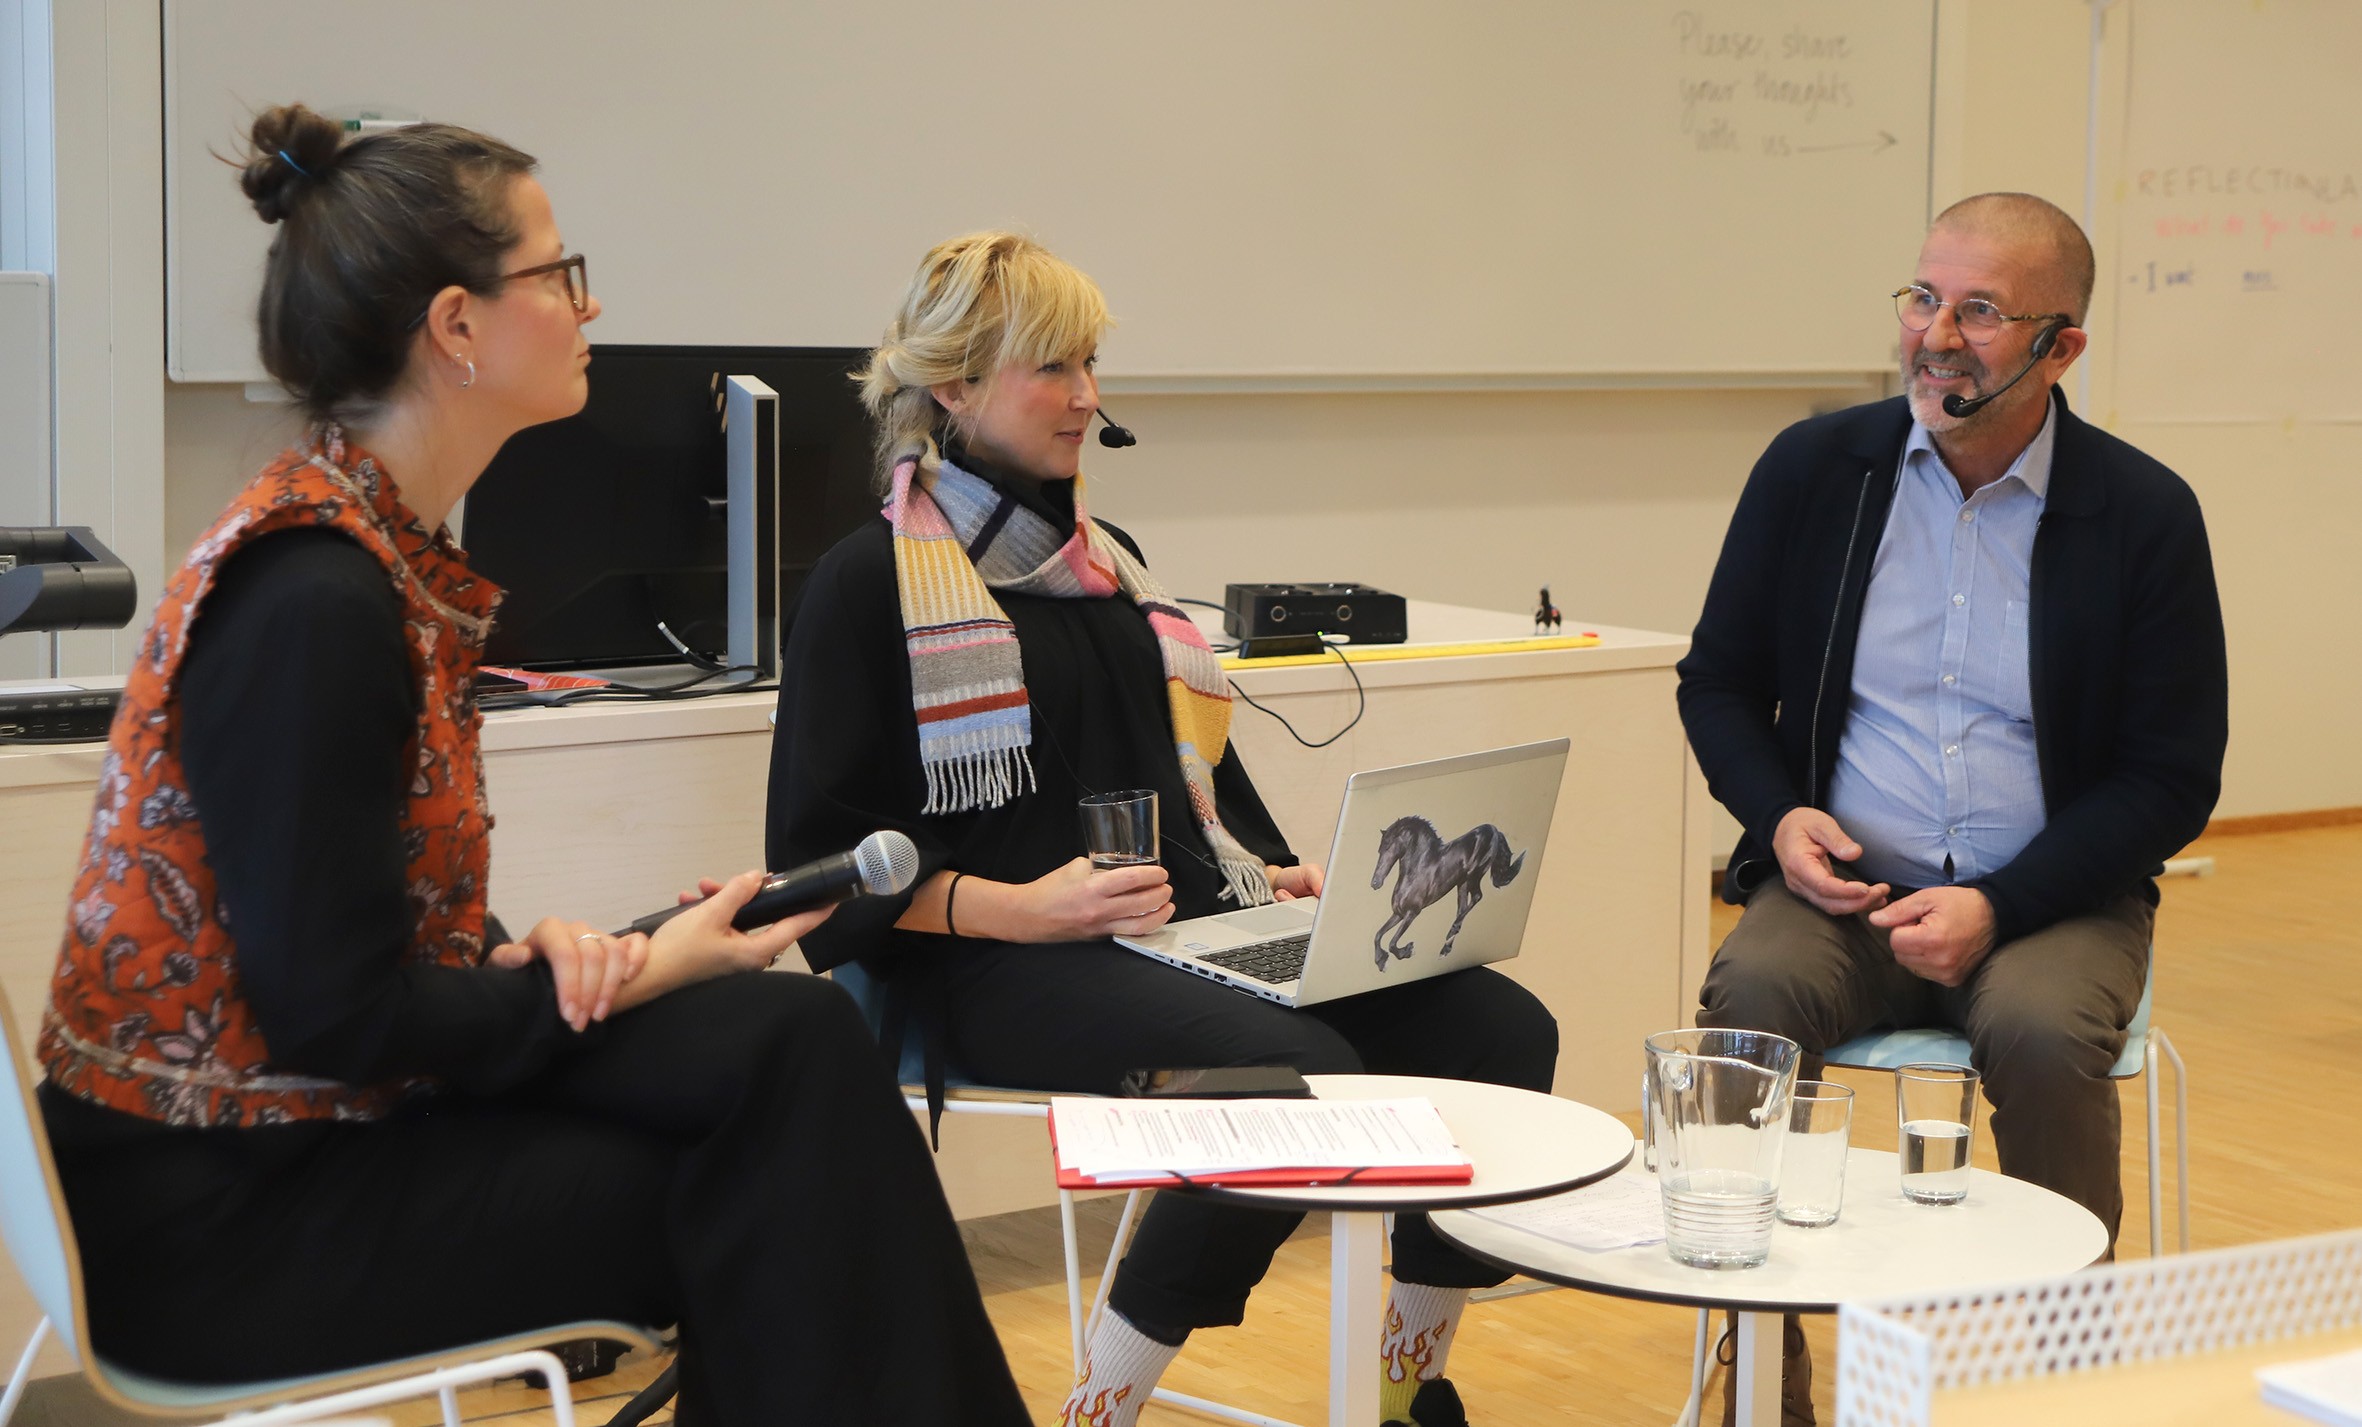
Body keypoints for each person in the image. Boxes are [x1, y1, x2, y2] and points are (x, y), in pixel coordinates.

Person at [35, 105, 1027, 1426]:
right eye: (559, 273)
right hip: (220, 1225)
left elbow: (361, 946)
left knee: (783, 1040)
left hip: (296, 1147)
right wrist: (634, 972)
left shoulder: (361, 554)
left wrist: (581, 960)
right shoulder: (312, 603)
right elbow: (339, 1013)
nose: (589, 298)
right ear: (456, 326)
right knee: (777, 1150)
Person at [765, 232, 1560, 1427]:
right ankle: (1100, 1404)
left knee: (1501, 1027)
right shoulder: (863, 582)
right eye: (1054, 368)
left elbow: (1195, 787)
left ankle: (1408, 1387)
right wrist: (1023, 908)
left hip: (1176, 943)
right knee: (1282, 1081)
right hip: (987, 970)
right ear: (953, 386)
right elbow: (818, 875)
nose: (1088, 397)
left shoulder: (1110, 568)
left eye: (1090, 364)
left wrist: (1274, 875)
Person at [1677, 192, 2227, 1423]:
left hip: (2048, 900)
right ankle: (1762, 1382)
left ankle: (2058, 1382)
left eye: (1981, 310)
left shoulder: (2142, 514)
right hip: (1841, 890)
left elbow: (2171, 773)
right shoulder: (1817, 470)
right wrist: (1777, 819)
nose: (1936, 334)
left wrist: (1997, 903)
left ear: (2061, 346)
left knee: (2038, 1033)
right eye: (1923, 297)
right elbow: (1718, 680)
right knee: (1748, 1002)